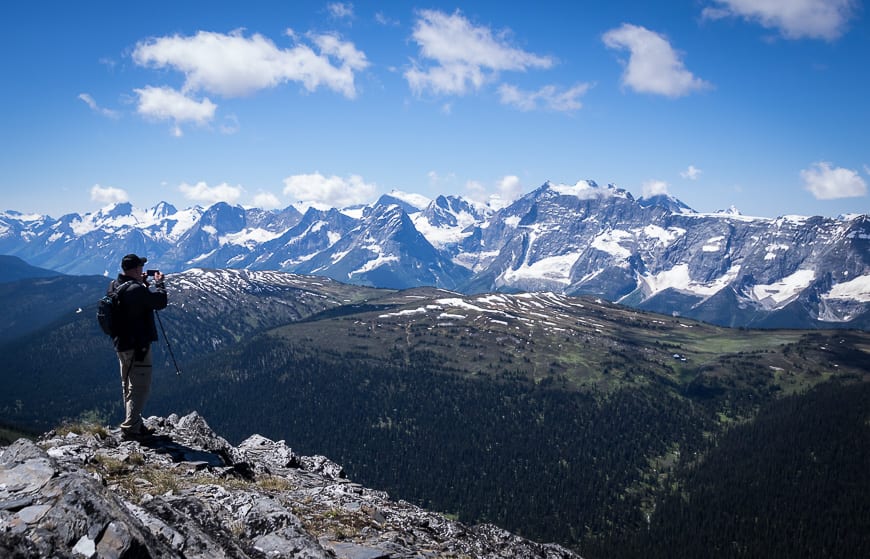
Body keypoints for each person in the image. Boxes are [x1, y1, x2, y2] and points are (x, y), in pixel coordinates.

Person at [110, 253, 168, 440]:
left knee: (128, 384)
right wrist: (159, 284)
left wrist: (141, 284)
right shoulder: (135, 290)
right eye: (140, 267)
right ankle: (131, 429)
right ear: (135, 269)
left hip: (121, 345)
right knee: (140, 386)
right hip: (138, 346)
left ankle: (134, 422)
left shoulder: (114, 285)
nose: (143, 270)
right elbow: (159, 302)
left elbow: (132, 307)